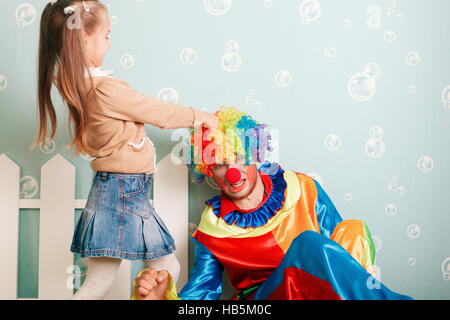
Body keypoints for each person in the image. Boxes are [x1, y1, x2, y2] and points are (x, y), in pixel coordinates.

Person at [32, 0, 218, 300]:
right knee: (164, 264)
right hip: (123, 191)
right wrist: (200, 116)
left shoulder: (82, 85)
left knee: (99, 283)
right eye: (105, 35)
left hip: (117, 189)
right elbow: (155, 111)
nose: (109, 42)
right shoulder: (104, 89)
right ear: (83, 40)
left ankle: (153, 295)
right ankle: (154, 296)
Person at [131, 107, 412, 300]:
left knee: (353, 230)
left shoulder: (302, 188)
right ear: (210, 173)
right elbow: (201, 295)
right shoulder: (213, 225)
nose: (233, 173)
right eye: (219, 165)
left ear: (254, 154)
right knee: (307, 244)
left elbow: (342, 260)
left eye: (239, 158)